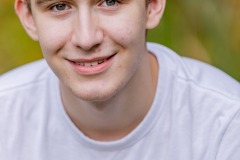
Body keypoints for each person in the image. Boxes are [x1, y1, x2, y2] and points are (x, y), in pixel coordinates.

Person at [0, 0, 240, 159]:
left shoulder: (227, 127)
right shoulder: (5, 118)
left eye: (111, 2)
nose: (86, 38)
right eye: (59, 6)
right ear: (29, 18)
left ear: (153, 6)